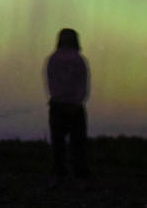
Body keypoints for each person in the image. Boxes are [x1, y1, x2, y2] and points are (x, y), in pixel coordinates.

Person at [45, 27, 90, 187]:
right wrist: (76, 102)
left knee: (59, 144)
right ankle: (77, 177)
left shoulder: (53, 59)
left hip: (60, 106)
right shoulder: (78, 60)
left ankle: (61, 176)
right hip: (72, 107)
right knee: (76, 144)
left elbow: (51, 83)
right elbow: (83, 84)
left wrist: (61, 100)